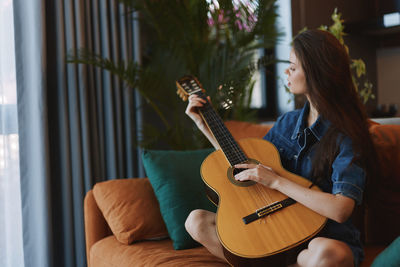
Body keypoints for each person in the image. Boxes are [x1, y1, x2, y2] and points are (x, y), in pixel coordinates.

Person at [184, 29, 378, 267]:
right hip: (276, 228)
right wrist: (205, 124)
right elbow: (246, 166)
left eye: (293, 67)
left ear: (316, 73)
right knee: (197, 221)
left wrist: (275, 181)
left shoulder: (348, 135)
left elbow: (341, 210)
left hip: (323, 236)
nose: (286, 71)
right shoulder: (287, 123)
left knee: (330, 254)